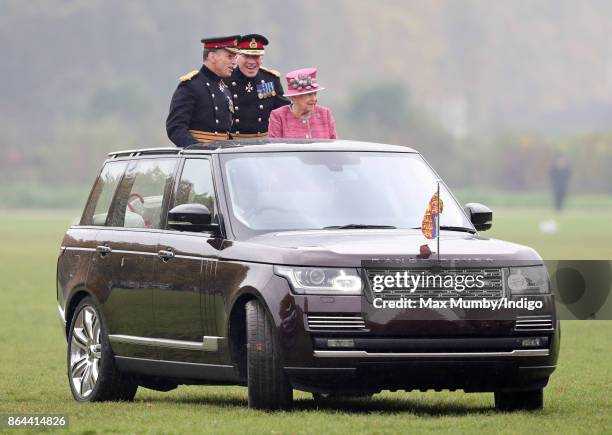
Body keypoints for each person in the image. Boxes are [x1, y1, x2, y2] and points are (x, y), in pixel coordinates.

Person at [166, 35, 240, 147]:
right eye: (229, 56)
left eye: (235, 57)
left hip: (220, 156)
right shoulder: (191, 85)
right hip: (198, 158)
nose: (234, 62)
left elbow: (224, 132)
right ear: (212, 57)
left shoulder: (224, 88)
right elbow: (176, 128)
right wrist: (199, 150)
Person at [229, 34, 289, 139]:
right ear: (237, 57)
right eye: (246, 56)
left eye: (256, 56)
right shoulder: (226, 78)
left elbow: (284, 110)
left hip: (262, 144)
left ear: (261, 59)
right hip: (232, 144)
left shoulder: (269, 79)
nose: (251, 62)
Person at [268, 68, 337, 139]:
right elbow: (275, 147)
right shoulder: (278, 116)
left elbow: (334, 146)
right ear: (293, 97)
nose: (314, 99)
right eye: (309, 94)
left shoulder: (325, 114)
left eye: (315, 94)